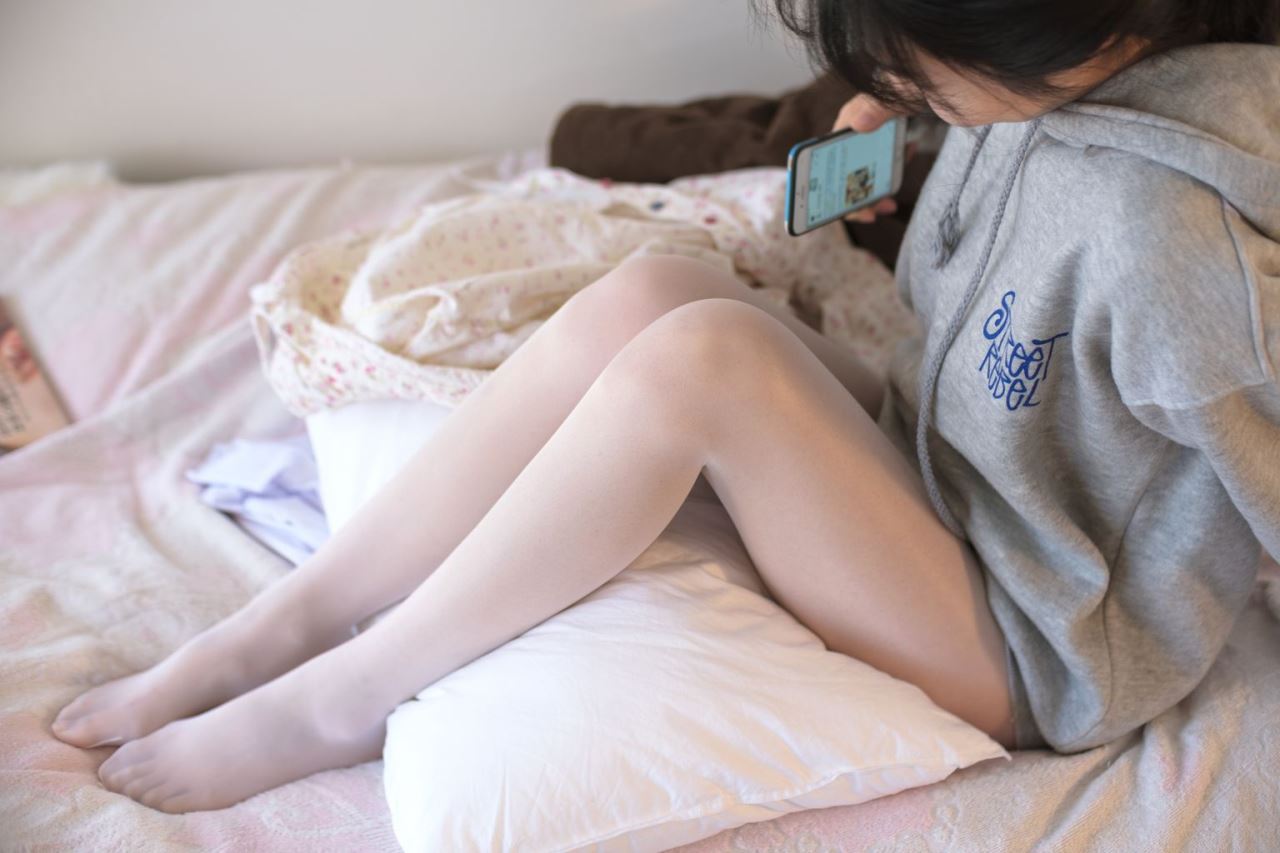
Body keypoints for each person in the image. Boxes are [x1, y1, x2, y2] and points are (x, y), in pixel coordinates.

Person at [52, 0, 1280, 813]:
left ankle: (343, 696)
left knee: (703, 362)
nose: (897, 78)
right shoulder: (1052, 83)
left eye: (919, 63)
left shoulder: (1180, 248)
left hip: (1029, 638)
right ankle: (279, 626)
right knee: (654, 290)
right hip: (944, 457)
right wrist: (916, 121)